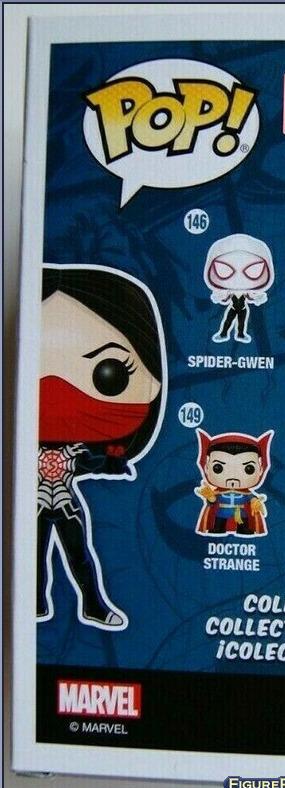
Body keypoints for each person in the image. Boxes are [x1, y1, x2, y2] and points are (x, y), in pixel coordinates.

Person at [38, 265, 166, 630]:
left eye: (109, 373)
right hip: (36, 506)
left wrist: (111, 463)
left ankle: (93, 605)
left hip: (64, 505)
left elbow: (90, 464)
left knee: (79, 557)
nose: (56, 392)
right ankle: (33, 603)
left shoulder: (75, 451)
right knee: (33, 557)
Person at [195, 429, 273, 536]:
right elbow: (212, 502)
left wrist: (255, 502)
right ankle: (218, 528)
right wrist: (211, 499)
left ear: (260, 469)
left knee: (244, 525)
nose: (232, 478)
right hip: (222, 512)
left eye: (249, 469)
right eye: (218, 468)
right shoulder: (217, 493)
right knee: (219, 524)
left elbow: (251, 499)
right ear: (207, 467)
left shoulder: (246, 494)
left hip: (241, 512)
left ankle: (244, 529)